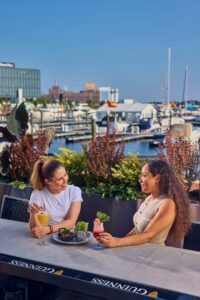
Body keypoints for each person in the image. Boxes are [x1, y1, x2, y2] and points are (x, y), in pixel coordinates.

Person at [98, 160, 191, 248]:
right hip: (137, 250)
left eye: (144, 175)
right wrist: (116, 240)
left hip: (151, 255)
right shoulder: (149, 199)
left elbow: (147, 235)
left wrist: (117, 242)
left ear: (157, 178)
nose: (140, 180)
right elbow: (137, 230)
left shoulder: (167, 204)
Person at [28, 159, 82, 239]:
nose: (65, 181)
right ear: (48, 181)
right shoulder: (38, 194)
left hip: (68, 238)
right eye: (60, 179)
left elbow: (71, 222)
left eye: (65, 175)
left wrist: (48, 229)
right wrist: (33, 214)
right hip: (45, 238)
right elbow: (34, 228)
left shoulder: (74, 191)